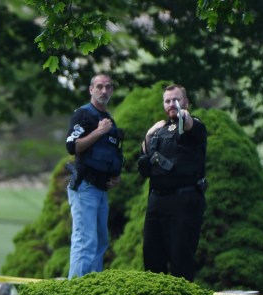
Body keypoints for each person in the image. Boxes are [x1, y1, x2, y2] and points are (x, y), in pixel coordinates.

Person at [138, 83, 207, 282]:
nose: (171, 104)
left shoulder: (194, 125)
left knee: (180, 261)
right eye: (167, 101)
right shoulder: (159, 131)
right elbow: (143, 160)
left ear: (186, 102)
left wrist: (182, 114)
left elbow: (186, 122)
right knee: (152, 260)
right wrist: (149, 135)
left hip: (184, 200)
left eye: (176, 100)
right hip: (157, 200)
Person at [64, 73, 124, 279]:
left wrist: (116, 176)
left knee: (100, 241)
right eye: (99, 87)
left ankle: (92, 293)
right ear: (91, 90)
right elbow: (72, 146)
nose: (104, 91)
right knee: (85, 241)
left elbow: (112, 154)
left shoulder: (109, 121)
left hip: (101, 190)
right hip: (85, 187)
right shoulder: (83, 115)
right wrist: (98, 132)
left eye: (108, 87)